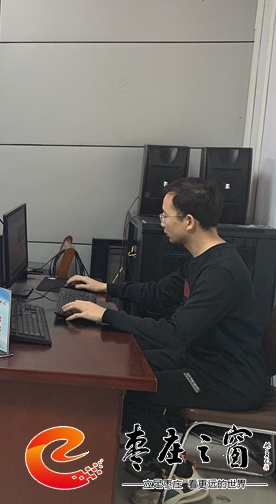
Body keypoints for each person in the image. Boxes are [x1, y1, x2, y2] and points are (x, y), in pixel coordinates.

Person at [62, 178, 270, 504]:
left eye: (165, 215)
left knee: (133, 388)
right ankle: (154, 459)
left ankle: (182, 479)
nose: (161, 222)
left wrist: (105, 315)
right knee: (124, 368)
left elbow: (175, 333)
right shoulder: (203, 259)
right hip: (203, 360)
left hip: (230, 379)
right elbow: (159, 293)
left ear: (189, 221)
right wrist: (106, 288)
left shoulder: (221, 272)